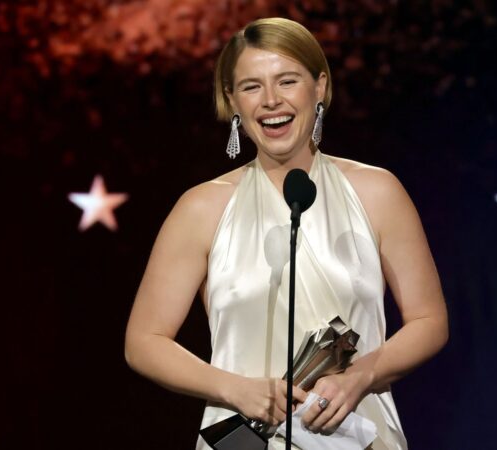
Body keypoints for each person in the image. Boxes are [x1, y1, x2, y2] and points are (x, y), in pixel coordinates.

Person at [124, 17, 449, 450]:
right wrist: (233, 388)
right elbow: (144, 341)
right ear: (232, 101)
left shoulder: (377, 192)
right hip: (244, 440)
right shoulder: (201, 208)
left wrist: (361, 377)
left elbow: (429, 321)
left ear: (319, 87)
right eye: (252, 86)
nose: (271, 101)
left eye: (287, 81)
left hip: (358, 437)